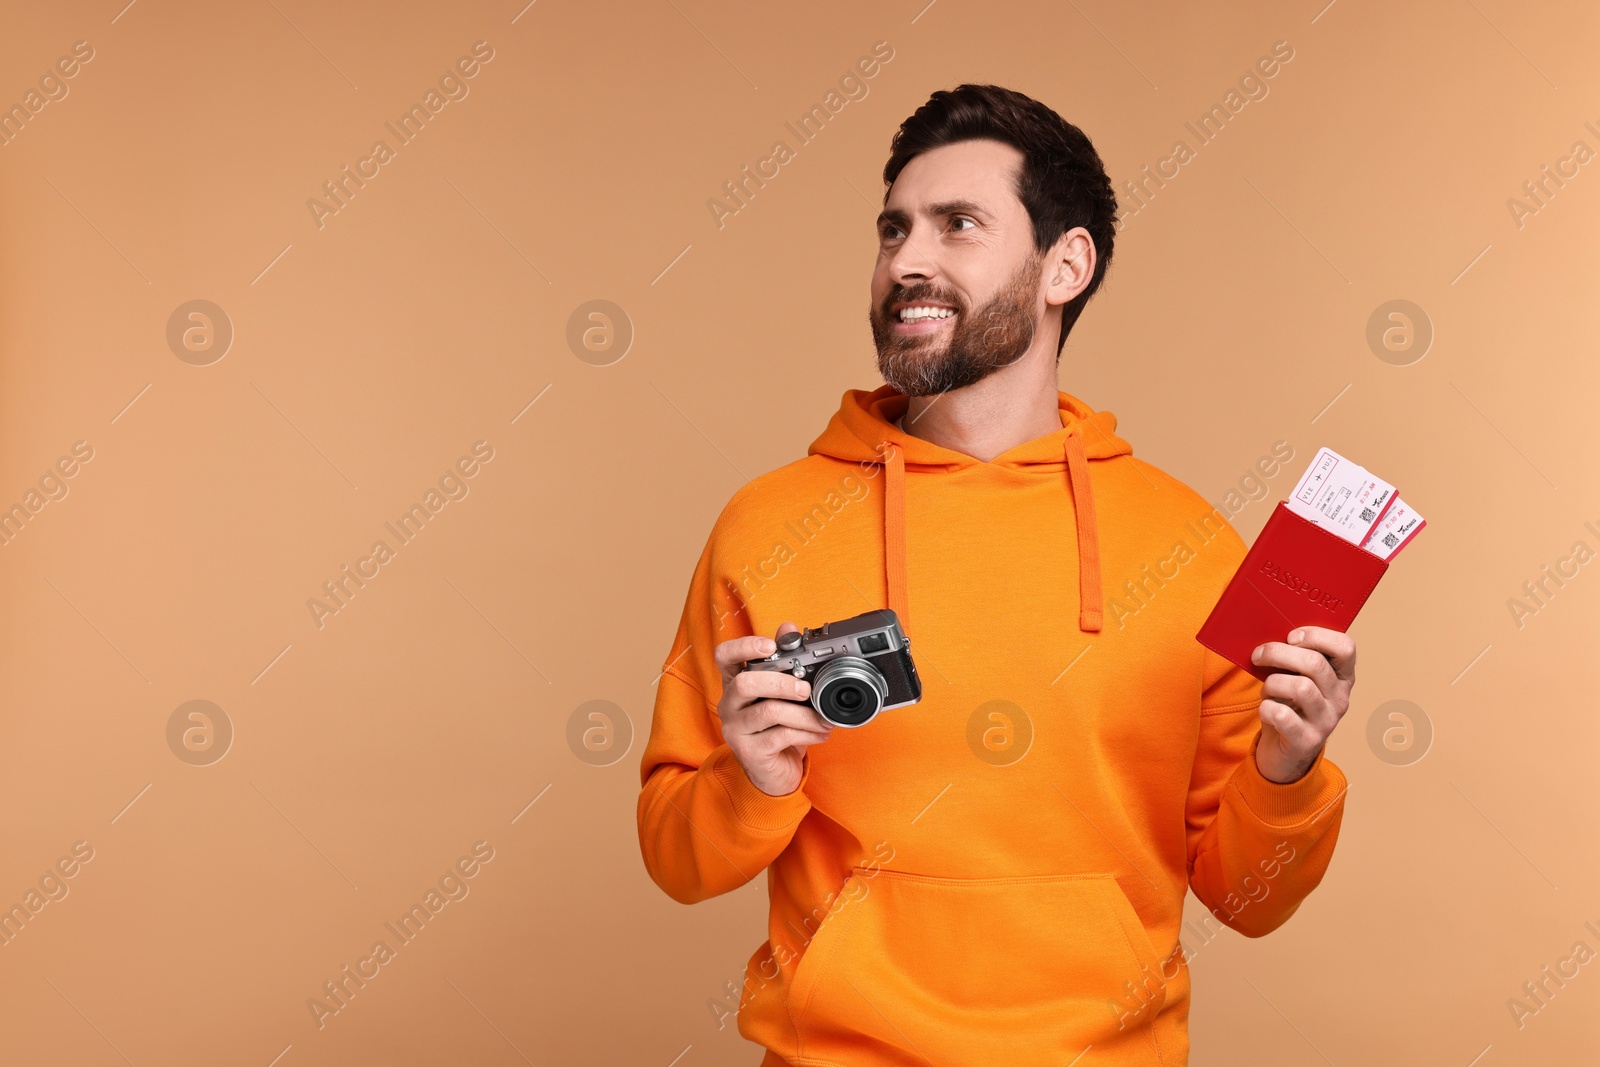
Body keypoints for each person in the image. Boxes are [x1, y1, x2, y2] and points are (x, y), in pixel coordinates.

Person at [637, 83, 1354, 1065]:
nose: (907, 261)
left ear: (1065, 263)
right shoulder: (766, 523)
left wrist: (1287, 770)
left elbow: (1249, 896)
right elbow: (676, 856)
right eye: (893, 230)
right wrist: (752, 780)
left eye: (956, 225)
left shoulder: (1189, 542)